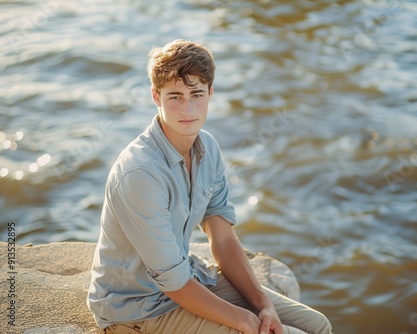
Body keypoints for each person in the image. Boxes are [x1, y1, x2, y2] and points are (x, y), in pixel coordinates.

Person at [87, 39, 333, 334]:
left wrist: (263, 304)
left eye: (196, 94)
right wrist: (245, 320)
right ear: (156, 96)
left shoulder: (208, 149)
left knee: (318, 326)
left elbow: (224, 240)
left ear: (211, 93)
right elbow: (173, 282)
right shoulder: (141, 173)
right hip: (137, 307)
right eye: (175, 97)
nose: (188, 108)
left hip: (191, 278)